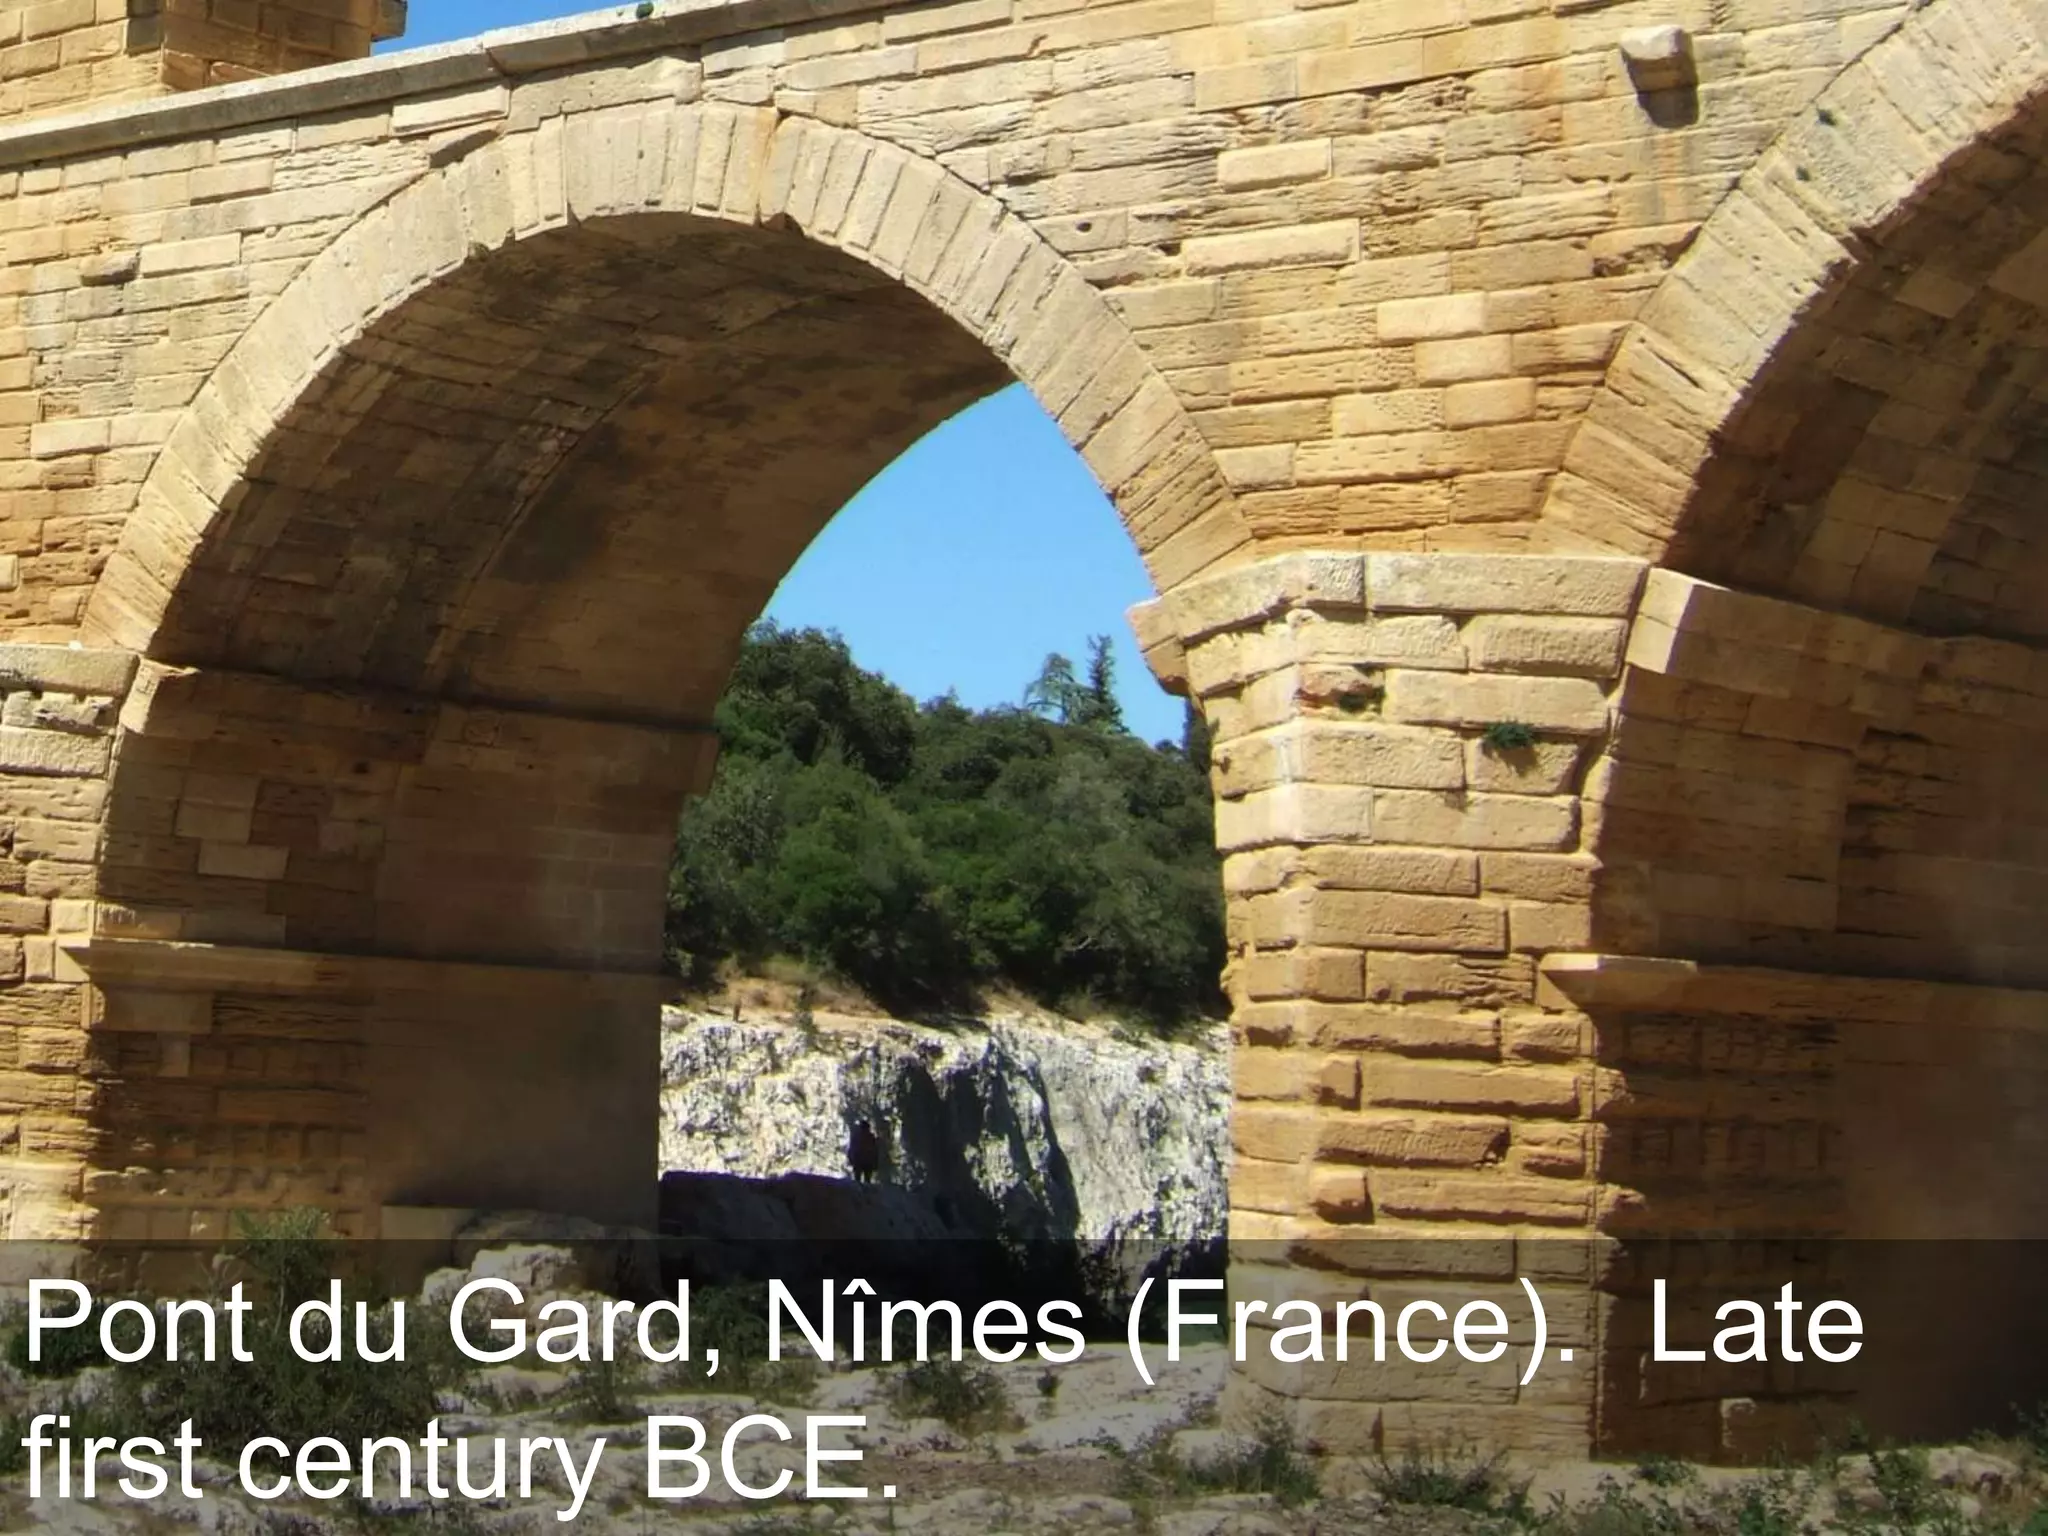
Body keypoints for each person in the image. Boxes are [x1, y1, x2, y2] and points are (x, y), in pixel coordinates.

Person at [848, 1118, 880, 1184]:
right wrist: (875, 1163)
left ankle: (859, 1192)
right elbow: (875, 1151)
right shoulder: (871, 1137)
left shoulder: (857, 1136)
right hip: (866, 1161)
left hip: (859, 1160)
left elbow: (851, 1148)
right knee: (866, 1180)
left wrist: (850, 1158)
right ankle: (865, 1192)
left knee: (858, 1179)